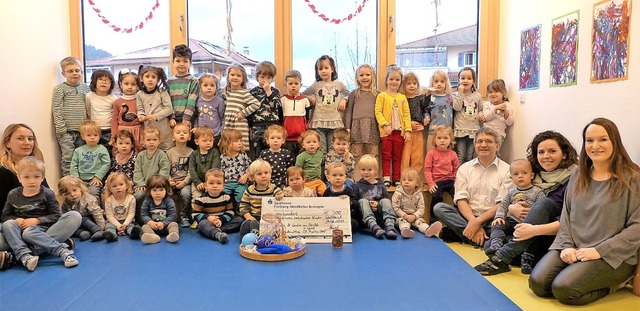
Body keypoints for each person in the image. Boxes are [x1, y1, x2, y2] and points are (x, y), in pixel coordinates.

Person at [529, 118, 640, 305]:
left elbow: (637, 226)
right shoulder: (579, 175)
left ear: (615, 141)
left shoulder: (632, 178)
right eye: (589, 140)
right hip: (575, 247)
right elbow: (567, 215)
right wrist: (565, 246)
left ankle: (616, 284)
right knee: (538, 284)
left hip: (613, 256)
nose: (595, 145)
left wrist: (600, 250)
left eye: (603, 139)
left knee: (564, 289)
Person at [475, 131, 578, 275]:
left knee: (544, 204)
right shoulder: (533, 175)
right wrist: (512, 207)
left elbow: (571, 223)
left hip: (553, 235)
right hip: (526, 234)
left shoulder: (575, 179)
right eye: (541, 152)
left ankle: (502, 258)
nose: (546, 156)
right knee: (490, 245)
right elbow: (512, 197)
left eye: (552, 151)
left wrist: (535, 230)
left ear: (564, 154)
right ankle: (515, 255)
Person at [0, 124, 81, 269]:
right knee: (5, 233)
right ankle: (51, 246)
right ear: (7, 143)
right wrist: (18, 221)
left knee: (74, 217)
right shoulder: (3, 172)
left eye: (30, 138)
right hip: (13, 227)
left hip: (39, 226)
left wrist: (37, 221)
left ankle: (17, 256)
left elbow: (52, 208)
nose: (27, 142)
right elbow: (4, 214)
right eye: (20, 138)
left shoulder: (38, 169)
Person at [427, 127, 513, 246]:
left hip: (492, 220)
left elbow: (501, 204)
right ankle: (479, 237)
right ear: (475, 144)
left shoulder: (507, 170)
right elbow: (461, 199)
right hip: (467, 217)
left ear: (497, 146)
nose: (483, 145)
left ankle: (462, 234)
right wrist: (473, 222)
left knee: (504, 224)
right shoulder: (464, 168)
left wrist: (478, 222)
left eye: (488, 141)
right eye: (479, 141)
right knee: (439, 208)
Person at [474, 159, 545, 275]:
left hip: (526, 224)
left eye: (524, 173)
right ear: (511, 178)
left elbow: (541, 209)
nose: (520, 176)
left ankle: (527, 259)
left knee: (532, 238)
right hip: (511, 221)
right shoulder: (511, 192)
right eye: (516, 174)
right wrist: (499, 217)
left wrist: (530, 211)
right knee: (497, 225)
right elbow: (503, 205)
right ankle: (496, 242)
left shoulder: (537, 192)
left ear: (532, 175)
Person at [52, 56, 90, 176]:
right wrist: (61, 129)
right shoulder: (60, 89)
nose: (74, 73)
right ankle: (68, 184)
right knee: (68, 158)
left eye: (77, 71)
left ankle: (81, 183)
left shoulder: (86, 88)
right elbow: (56, 109)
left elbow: (89, 107)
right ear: (64, 73)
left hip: (83, 131)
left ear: (81, 72)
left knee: (82, 157)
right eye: (70, 71)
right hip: (66, 132)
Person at [375, 64, 412, 188]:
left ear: (400, 81)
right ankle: (386, 177)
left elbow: (406, 114)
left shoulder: (402, 97)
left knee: (397, 156)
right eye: (391, 79)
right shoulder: (382, 96)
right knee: (386, 155)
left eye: (397, 79)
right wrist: (384, 124)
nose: (394, 82)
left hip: (399, 132)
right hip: (387, 132)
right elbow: (378, 112)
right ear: (386, 80)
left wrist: (408, 130)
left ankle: (396, 177)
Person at [303, 55, 349, 153]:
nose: (323, 71)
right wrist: (311, 98)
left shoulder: (339, 85)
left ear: (332, 69)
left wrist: (344, 100)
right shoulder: (316, 85)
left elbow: (350, 95)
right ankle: (322, 168)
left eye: (326, 68)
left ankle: (333, 168)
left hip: (334, 123)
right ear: (317, 71)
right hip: (319, 123)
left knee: (334, 149)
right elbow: (302, 94)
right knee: (321, 149)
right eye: (320, 69)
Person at [192, 168, 243, 243]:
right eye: (211, 183)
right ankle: (217, 234)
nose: (215, 186)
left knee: (239, 220)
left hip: (222, 221)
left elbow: (230, 212)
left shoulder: (226, 197)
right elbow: (195, 214)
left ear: (223, 186)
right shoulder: (201, 199)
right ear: (205, 185)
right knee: (202, 224)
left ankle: (220, 230)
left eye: (218, 183)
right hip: (208, 221)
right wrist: (208, 218)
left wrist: (221, 220)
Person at [344, 64, 379, 164]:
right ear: (357, 78)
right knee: (354, 154)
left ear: (373, 77)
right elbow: (349, 111)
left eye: (367, 75)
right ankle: (351, 177)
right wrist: (348, 128)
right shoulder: (354, 93)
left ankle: (374, 178)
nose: (364, 77)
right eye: (361, 75)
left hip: (372, 128)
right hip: (356, 128)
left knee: (373, 155)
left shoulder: (378, 94)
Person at [355, 155, 397, 239]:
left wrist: (377, 205)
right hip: (365, 219)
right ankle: (374, 227)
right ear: (359, 170)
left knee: (385, 201)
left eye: (369, 169)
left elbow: (387, 201)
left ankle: (390, 226)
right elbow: (355, 204)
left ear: (376, 171)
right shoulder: (357, 186)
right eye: (363, 169)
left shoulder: (380, 185)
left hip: (380, 216)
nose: (366, 172)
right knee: (362, 201)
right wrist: (368, 205)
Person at [133, 127, 171, 221]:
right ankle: (137, 218)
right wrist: (140, 184)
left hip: (157, 185)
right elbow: (137, 171)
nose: (151, 142)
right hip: (144, 185)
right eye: (148, 140)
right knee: (138, 196)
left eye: (154, 140)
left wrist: (155, 183)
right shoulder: (141, 155)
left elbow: (164, 170)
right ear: (144, 141)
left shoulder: (161, 154)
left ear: (159, 141)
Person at [238, 159, 284, 237]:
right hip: (254, 217)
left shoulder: (274, 189)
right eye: (259, 174)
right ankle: (251, 234)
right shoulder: (249, 190)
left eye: (266, 173)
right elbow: (243, 206)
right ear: (253, 177)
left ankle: (257, 233)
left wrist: (280, 196)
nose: (263, 176)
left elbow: (282, 197)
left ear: (270, 174)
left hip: (269, 218)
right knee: (241, 221)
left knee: (276, 224)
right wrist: (249, 217)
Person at [222, 64, 261, 154]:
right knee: (228, 145)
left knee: (240, 146)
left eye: (238, 75)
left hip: (239, 123)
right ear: (228, 77)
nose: (235, 77)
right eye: (232, 75)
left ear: (243, 79)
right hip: (228, 123)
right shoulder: (227, 92)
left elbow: (256, 104)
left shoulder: (243, 93)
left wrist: (243, 113)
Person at [423, 125, 460, 219]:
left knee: (458, 196)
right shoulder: (431, 153)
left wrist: (456, 181)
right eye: (439, 138)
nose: (442, 140)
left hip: (450, 180)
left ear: (450, 140)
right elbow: (427, 169)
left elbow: (457, 169)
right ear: (434, 139)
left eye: (445, 138)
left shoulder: (453, 154)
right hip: (437, 181)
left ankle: (459, 216)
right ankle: (433, 219)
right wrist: (431, 184)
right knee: (437, 196)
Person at [57, 176, 107, 242]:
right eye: (67, 193)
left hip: (92, 220)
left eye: (74, 190)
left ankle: (96, 230)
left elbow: (97, 213)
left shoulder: (87, 198)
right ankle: (82, 233)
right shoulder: (65, 203)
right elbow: (64, 217)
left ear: (80, 188)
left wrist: (101, 227)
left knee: (82, 219)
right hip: (78, 224)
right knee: (69, 225)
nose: (72, 194)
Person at [70, 120, 111, 200]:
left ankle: (96, 212)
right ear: (83, 136)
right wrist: (77, 178)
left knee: (93, 194)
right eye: (89, 135)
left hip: (95, 180)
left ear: (99, 136)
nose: (92, 138)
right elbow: (73, 165)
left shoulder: (102, 149)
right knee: (78, 195)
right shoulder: (78, 151)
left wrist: (98, 177)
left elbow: (106, 164)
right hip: (80, 180)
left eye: (95, 135)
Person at [248, 61, 282, 156]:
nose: (265, 80)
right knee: (258, 152)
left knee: (272, 151)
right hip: (257, 126)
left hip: (272, 125)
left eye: (268, 77)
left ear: (272, 78)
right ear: (257, 77)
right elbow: (250, 111)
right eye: (262, 77)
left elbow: (276, 106)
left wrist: (268, 91)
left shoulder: (275, 91)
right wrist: (250, 127)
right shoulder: (252, 92)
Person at [136, 65, 173, 151]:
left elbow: (169, 108)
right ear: (141, 79)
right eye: (147, 76)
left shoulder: (162, 92)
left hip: (163, 128)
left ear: (158, 79)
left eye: (153, 77)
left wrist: (156, 116)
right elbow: (140, 108)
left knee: (164, 151)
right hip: (149, 129)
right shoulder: (139, 94)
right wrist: (141, 115)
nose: (150, 79)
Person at [400, 71, 430, 175]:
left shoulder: (420, 98)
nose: (412, 86)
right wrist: (408, 125)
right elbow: (400, 115)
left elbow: (426, 110)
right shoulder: (401, 98)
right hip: (406, 132)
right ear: (403, 85)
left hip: (418, 131)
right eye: (408, 83)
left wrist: (426, 117)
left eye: (414, 83)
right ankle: (404, 178)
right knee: (405, 156)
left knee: (417, 156)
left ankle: (415, 178)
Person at [452, 67, 483, 164]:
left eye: (469, 78)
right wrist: (460, 93)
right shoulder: (455, 95)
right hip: (460, 129)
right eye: (463, 78)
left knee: (470, 156)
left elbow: (480, 108)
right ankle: (459, 177)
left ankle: (468, 176)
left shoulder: (477, 96)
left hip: (473, 130)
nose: (465, 80)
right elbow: (456, 107)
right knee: (460, 155)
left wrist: (481, 114)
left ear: (473, 81)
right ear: (459, 80)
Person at [110, 68, 144, 152]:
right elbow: (114, 120)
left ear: (137, 86)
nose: (129, 87)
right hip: (122, 132)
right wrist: (113, 136)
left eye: (133, 84)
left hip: (137, 131)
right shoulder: (117, 102)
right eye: (126, 84)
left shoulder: (140, 100)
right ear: (121, 85)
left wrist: (143, 135)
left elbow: (143, 120)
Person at [166, 123, 193, 228]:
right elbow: (165, 169)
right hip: (171, 181)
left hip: (185, 182)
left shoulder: (192, 152)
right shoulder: (169, 153)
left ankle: (184, 216)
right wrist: (169, 179)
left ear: (189, 136)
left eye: (185, 133)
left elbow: (191, 171)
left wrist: (184, 182)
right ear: (173, 137)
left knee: (186, 193)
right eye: (178, 133)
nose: (182, 134)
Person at [139, 175, 179, 244]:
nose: (158, 193)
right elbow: (144, 214)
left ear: (166, 190)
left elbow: (173, 215)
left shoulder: (168, 201)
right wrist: (150, 222)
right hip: (153, 227)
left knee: (174, 224)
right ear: (149, 191)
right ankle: (152, 236)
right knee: (144, 227)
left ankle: (172, 235)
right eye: (154, 190)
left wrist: (164, 223)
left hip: (166, 226)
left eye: (161, 190)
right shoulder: (147, 201)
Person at [188, 126, 221, 207]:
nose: (208, 143)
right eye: (204, 140)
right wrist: (197, 182)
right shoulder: (194, 154)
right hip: (197, 182)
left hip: (211, 182)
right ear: (196, 141)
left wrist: (208, 183)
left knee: (210, 199)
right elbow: (192, 169)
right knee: (196, 199)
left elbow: (215, 169)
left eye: (210, 140)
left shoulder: (215, 152)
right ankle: (196, 216)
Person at [86, 69, 117, 154]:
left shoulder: (114, 98)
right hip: (94, 130)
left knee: (108, 152)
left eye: (107, 80)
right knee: (94, 152)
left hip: (109, 130)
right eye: (100, 79)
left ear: (111, 84)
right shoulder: (89, 96)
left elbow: (115, 116)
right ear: (94, 82)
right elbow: (88, 112)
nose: (104, 82)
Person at [323, 162, 362, 231]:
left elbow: (356, 204)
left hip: (345, 218)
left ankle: (341, 229)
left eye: (341, 175)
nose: (338, 178)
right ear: (328, 178)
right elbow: (323, 206)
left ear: (345, 177)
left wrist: (350, 201)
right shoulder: (327, 191)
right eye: (334, 175)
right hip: (331, 217)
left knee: (354, 223)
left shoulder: (348, 190)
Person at [103, 172, 141, 241]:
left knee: (131, 226)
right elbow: (109, 216)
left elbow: (131, 214)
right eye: (114, 186)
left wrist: (125, 224)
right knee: (109, 227)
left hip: (127, 221)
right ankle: (112, 235)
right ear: (110, 189)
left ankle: (132, 233)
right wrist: (117, 225)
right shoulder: (108, 200)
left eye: (121, 184)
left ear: (126, 185)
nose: (118, 187)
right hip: (113, 221)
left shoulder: (131, 198)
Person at [167, 44, 198, 127]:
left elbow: (192, 100)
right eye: (178, 61)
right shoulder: (169, 82)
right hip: (173, 118)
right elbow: (167, 102)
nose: (181, 64)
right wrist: (171, 117)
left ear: (190, 63)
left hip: (188, 118)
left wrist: (186, 118)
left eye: (185, 61)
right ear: (173, 62)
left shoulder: (193, 81)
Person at [280, 70, 310, 155]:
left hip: (301, 137)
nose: (293, 86)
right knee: (289, 159)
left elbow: (308, 117)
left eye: (296, 84)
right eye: (290, 84)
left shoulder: (304, 100)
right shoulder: (282, 100)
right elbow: (280, 117)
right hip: (287, 137)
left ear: (301, 85)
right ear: (285, 85)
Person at [393, 168, 429, 238]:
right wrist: (405, 216)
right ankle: (405, 230)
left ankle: (427, 229)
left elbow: (421, 208)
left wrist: (414, 216)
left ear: (417, 183)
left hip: (414, 217)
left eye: (410, 180)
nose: (406, 182)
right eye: (404, 180)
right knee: (403, 222)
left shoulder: (419, 194)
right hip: (401, 217)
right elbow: (395, 207)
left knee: (420, 221)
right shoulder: (398, 193)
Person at [219, 129, 252, 205]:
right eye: (236, 141)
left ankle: (240, 212)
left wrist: (246, 176)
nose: (240, 143)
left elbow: (250, 167)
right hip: (227, 183)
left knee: (241, 195)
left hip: (240, 183)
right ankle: (227, 211)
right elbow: (221, 171)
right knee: (222, 195)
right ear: (227, 143)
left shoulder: (243, 155)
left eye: (240, 141)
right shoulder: (223, 157)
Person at [425, 70, 454, 154]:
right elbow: (426, 110)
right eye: (436, 81)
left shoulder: (449, 97)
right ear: (432, 83)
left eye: (442, 81)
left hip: (447, 132)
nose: (439, 84)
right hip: (433, 131)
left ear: (446, 83)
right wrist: (426, 117)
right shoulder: (430, 97)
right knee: (431, 154)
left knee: (446, 155)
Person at [259, 125, 294, 190]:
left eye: (278, 138)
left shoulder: (287, 153)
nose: (275, 140)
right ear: (267, 140)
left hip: (283, 181)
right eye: (272, 138)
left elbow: (290, 168)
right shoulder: (264, 153)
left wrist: (289, 179)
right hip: (268, 181)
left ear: (283, 140)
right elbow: (259, 168)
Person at [480, 79, 513, 145]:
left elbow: (510, 123)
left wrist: (505, 113)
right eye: (490, 92)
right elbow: (486, 118)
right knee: (485, 151)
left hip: (499, 134)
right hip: (485, 133)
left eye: (496, 91)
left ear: (503, 93)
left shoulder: (507, 105)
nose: (493, 94)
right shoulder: (487, 104)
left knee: (494, 152)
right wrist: (495, 109)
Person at [193, 73, 225, 142]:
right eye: (205, 85)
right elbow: (196, 116)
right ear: (200, 87)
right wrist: (195, 127)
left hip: (215, 135)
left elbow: (222, 118)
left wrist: (221, 131)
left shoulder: (219, 101)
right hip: (201, 135)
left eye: (212, 85)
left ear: (216, 87)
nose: (209, 88)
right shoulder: (197, 100)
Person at [295, 130, 325, 196]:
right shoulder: (301, 156)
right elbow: (297, 170)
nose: (312, 144)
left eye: (314, 142)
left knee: (325, 191)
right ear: (303, 145)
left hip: (318, 181)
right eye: (308, 142)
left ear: (318, 144)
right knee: (309, 195)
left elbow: (322, 165)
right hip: (306, 182)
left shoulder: (320, 154)